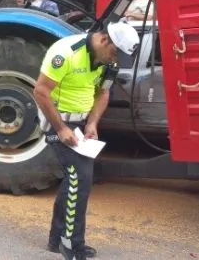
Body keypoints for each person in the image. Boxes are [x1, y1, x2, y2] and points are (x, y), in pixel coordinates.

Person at [34, 21, 139, 260]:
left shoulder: (107, 63)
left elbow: (103, 93)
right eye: (114, 53)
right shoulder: (66, 52)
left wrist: (92, 123)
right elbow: (40, 91)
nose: (114, 60)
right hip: (56, 118)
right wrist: (60, 128)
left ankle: (56, 238)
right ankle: (71, 245)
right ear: (104, 40)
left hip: (80, 123)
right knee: (80, 176)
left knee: (75, 177)